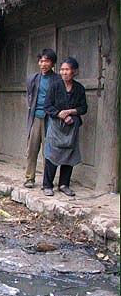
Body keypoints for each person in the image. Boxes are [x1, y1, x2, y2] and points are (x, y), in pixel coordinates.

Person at [42, 57, 87, 197]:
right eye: (62, 69)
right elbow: (47, 106)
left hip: (71, 127)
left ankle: (64, 184)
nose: (64, 72)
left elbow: (83, 108)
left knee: (69, 155)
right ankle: (47, 185)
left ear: (74, 71)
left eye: (67, 69)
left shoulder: (79, 88)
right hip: (56, 125)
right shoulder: (54, 86)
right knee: (52, 154)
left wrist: (71, 112)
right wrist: (60, 114)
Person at [24, 48, 61, 188]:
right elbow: (29, 96)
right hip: (35, 118)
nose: (43, 64)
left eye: (47, 61)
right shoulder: (33, 78)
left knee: (49, 151)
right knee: (31, 150)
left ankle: (47, 181)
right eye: (41, 61)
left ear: (53, 63)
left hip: (51, 119)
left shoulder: (57, 80)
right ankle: (29, 178)